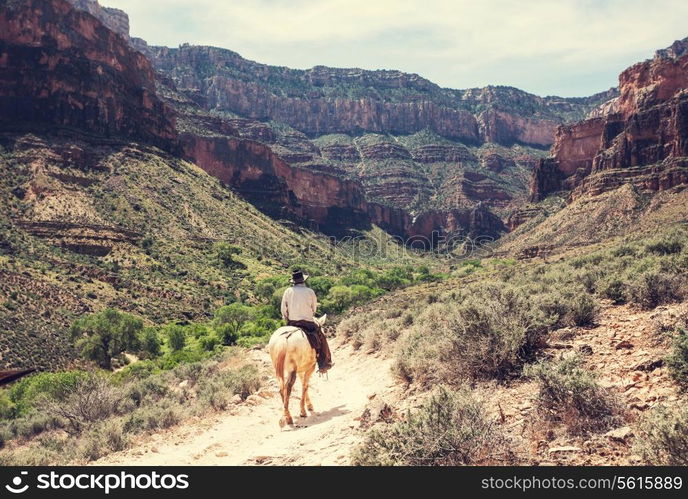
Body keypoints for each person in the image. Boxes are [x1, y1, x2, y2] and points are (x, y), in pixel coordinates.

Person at [281, 270, 333, 373]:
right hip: (308, 323)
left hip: (292, 322)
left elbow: (283, 309)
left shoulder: (288, 291)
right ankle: (324, 364)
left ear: (293, 281)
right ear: (304, 280)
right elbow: (314, 309)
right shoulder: (310, 291)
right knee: (321, 337)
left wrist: (287, 318)